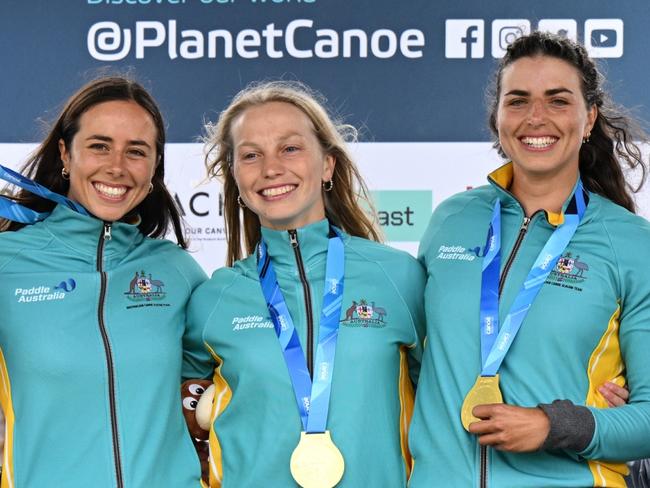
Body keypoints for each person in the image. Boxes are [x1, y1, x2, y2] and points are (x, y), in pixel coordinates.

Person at [408, 31, 650, 487]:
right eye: (517, 101)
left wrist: (559, 425)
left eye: (558, 101)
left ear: (589, 117)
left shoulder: (632, 244)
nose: (535, 118)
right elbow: (416, 366)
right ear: (496, 117)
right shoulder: (451, 220)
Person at [184, 81, 425, 487]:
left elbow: (445, 409)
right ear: (236, 177)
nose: (271, 168)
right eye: (250, 155)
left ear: (327, 164)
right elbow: (178, 413)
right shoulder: (213, 299)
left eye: (290, 148)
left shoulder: (399, 278)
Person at [0, 76, 207, 487]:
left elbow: (227, 377)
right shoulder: (7, 265)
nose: (117, 166)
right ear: (65, 152)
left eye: (136, 151)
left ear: (154, 168)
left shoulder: (177, 271)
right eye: (99, 146)